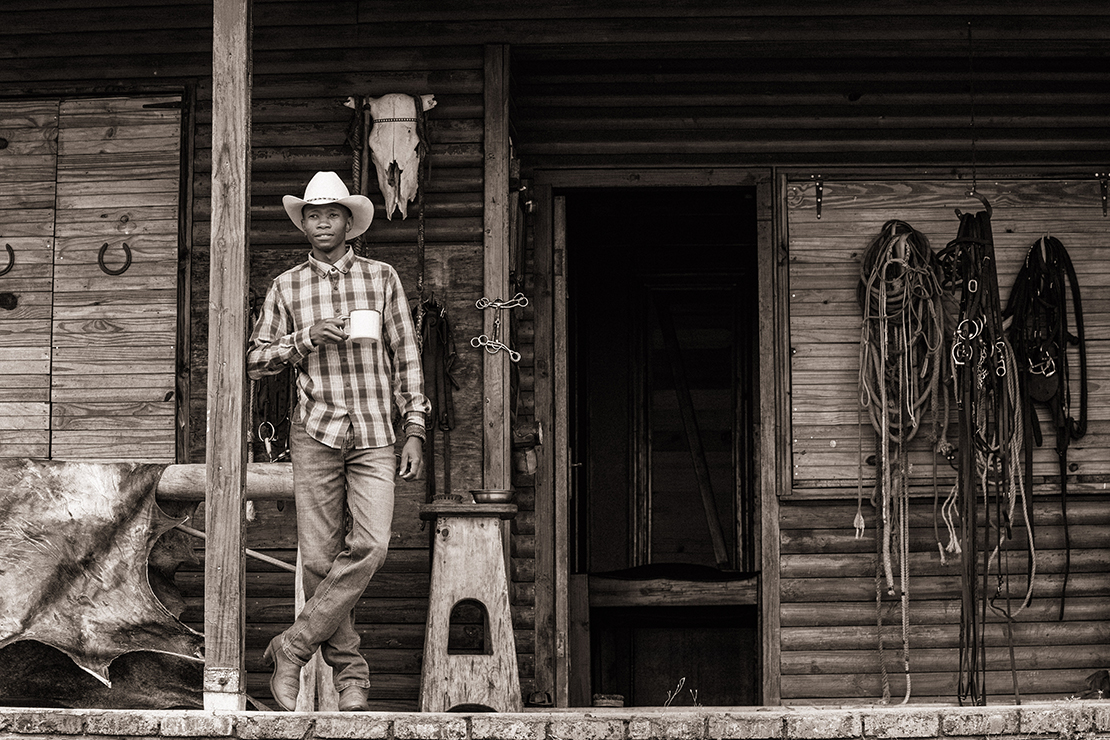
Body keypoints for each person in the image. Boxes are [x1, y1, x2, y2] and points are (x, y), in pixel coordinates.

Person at [247, 171, 430, 712]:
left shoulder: (382, 277)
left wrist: (415, 427)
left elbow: (408, 356)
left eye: (332, 213)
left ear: (350, 222)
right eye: (312, 213)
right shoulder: (286, 287)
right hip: (316, 431)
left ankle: (293, 645)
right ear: (303, 223)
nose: (321, 221)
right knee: (320, 557)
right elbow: (256, 361)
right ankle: (351, 673)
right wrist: (304, 338)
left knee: (371, 545)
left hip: (376, 430)